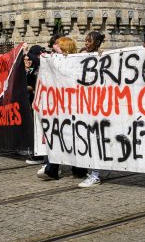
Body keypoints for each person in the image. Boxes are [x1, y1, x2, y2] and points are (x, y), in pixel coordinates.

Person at [38, 38, 88, 181]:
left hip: (73, 108)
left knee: (74, 138)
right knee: (56, 136)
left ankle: (78, 169)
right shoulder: (54, 62)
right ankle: (52, 169)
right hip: (57, 108)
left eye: (58, 48)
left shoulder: (75, 63)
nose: (54, 51)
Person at [78, 32, 106, 189]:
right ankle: (94, 171)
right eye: (86, 41)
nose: (86, 43)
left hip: (97, 107)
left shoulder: (103, 57)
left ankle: (95, 174)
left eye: (89, 41)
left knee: (95, 139)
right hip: (85, 105)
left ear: (97, 43)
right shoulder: (82, 55)